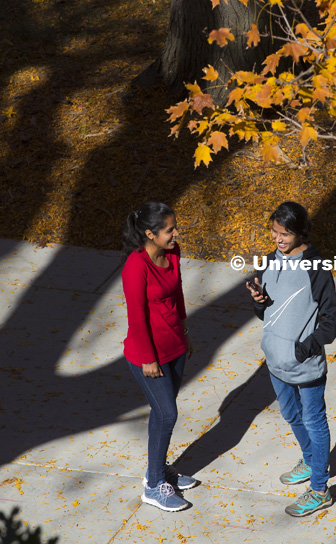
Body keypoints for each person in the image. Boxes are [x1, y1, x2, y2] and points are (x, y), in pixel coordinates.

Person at [247, 201, 336, 517]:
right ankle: (312, 459)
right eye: (274, 231)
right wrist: (259, 302)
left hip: (305, 362)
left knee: (314, 419)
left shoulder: (315, 267)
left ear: (300, 232)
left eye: (284, 233)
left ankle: (320, 489)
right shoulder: (271, 261)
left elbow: (332, 320)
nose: (278, 239)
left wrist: (305, 348)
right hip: (275, 359)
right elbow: (268, 311)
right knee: (290, 413)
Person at [121, 201, 198, 512]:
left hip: (175, 346)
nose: (176, 233)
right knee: (167, 414)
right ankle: (153, 486)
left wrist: (184, 330)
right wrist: (148, 358)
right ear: (150, 234)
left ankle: (158, 470)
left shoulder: (173, 253)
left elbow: (177, 293)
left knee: (160, 412)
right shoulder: (136, 266)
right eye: (169, 230)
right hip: (148, 355)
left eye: (175, 226)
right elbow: (137, 316)